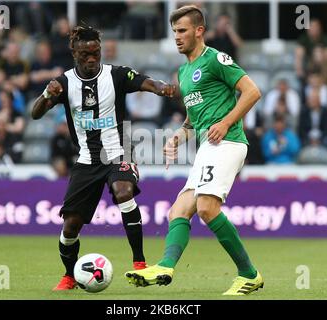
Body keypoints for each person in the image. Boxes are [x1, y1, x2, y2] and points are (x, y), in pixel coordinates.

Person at [124, 5, 264, 296]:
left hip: (228, 143)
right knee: (179, 209)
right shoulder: (184, 71)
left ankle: (249, 274)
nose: (177, 37)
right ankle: (165, 266)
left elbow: (252, 91)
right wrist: (177, 137)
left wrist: (225, 123)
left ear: (199, 31)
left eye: (183, 30)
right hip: (207, 148)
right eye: (174, 31)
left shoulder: (216, 59)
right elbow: (193, 119)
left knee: (205, 208)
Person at [31, 24, 175, 291]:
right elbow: (35, 114)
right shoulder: (64, 83)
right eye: (85, 54)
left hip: (119, 149)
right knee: (71, 225)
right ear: (74, 53)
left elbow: (147, 82)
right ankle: (69, 276)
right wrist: (46, 94)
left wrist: (162, 88)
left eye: (95, 53)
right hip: (87, 158)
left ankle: (140, 263)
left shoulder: (117, 75)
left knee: (123, 192)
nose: (91, 59)